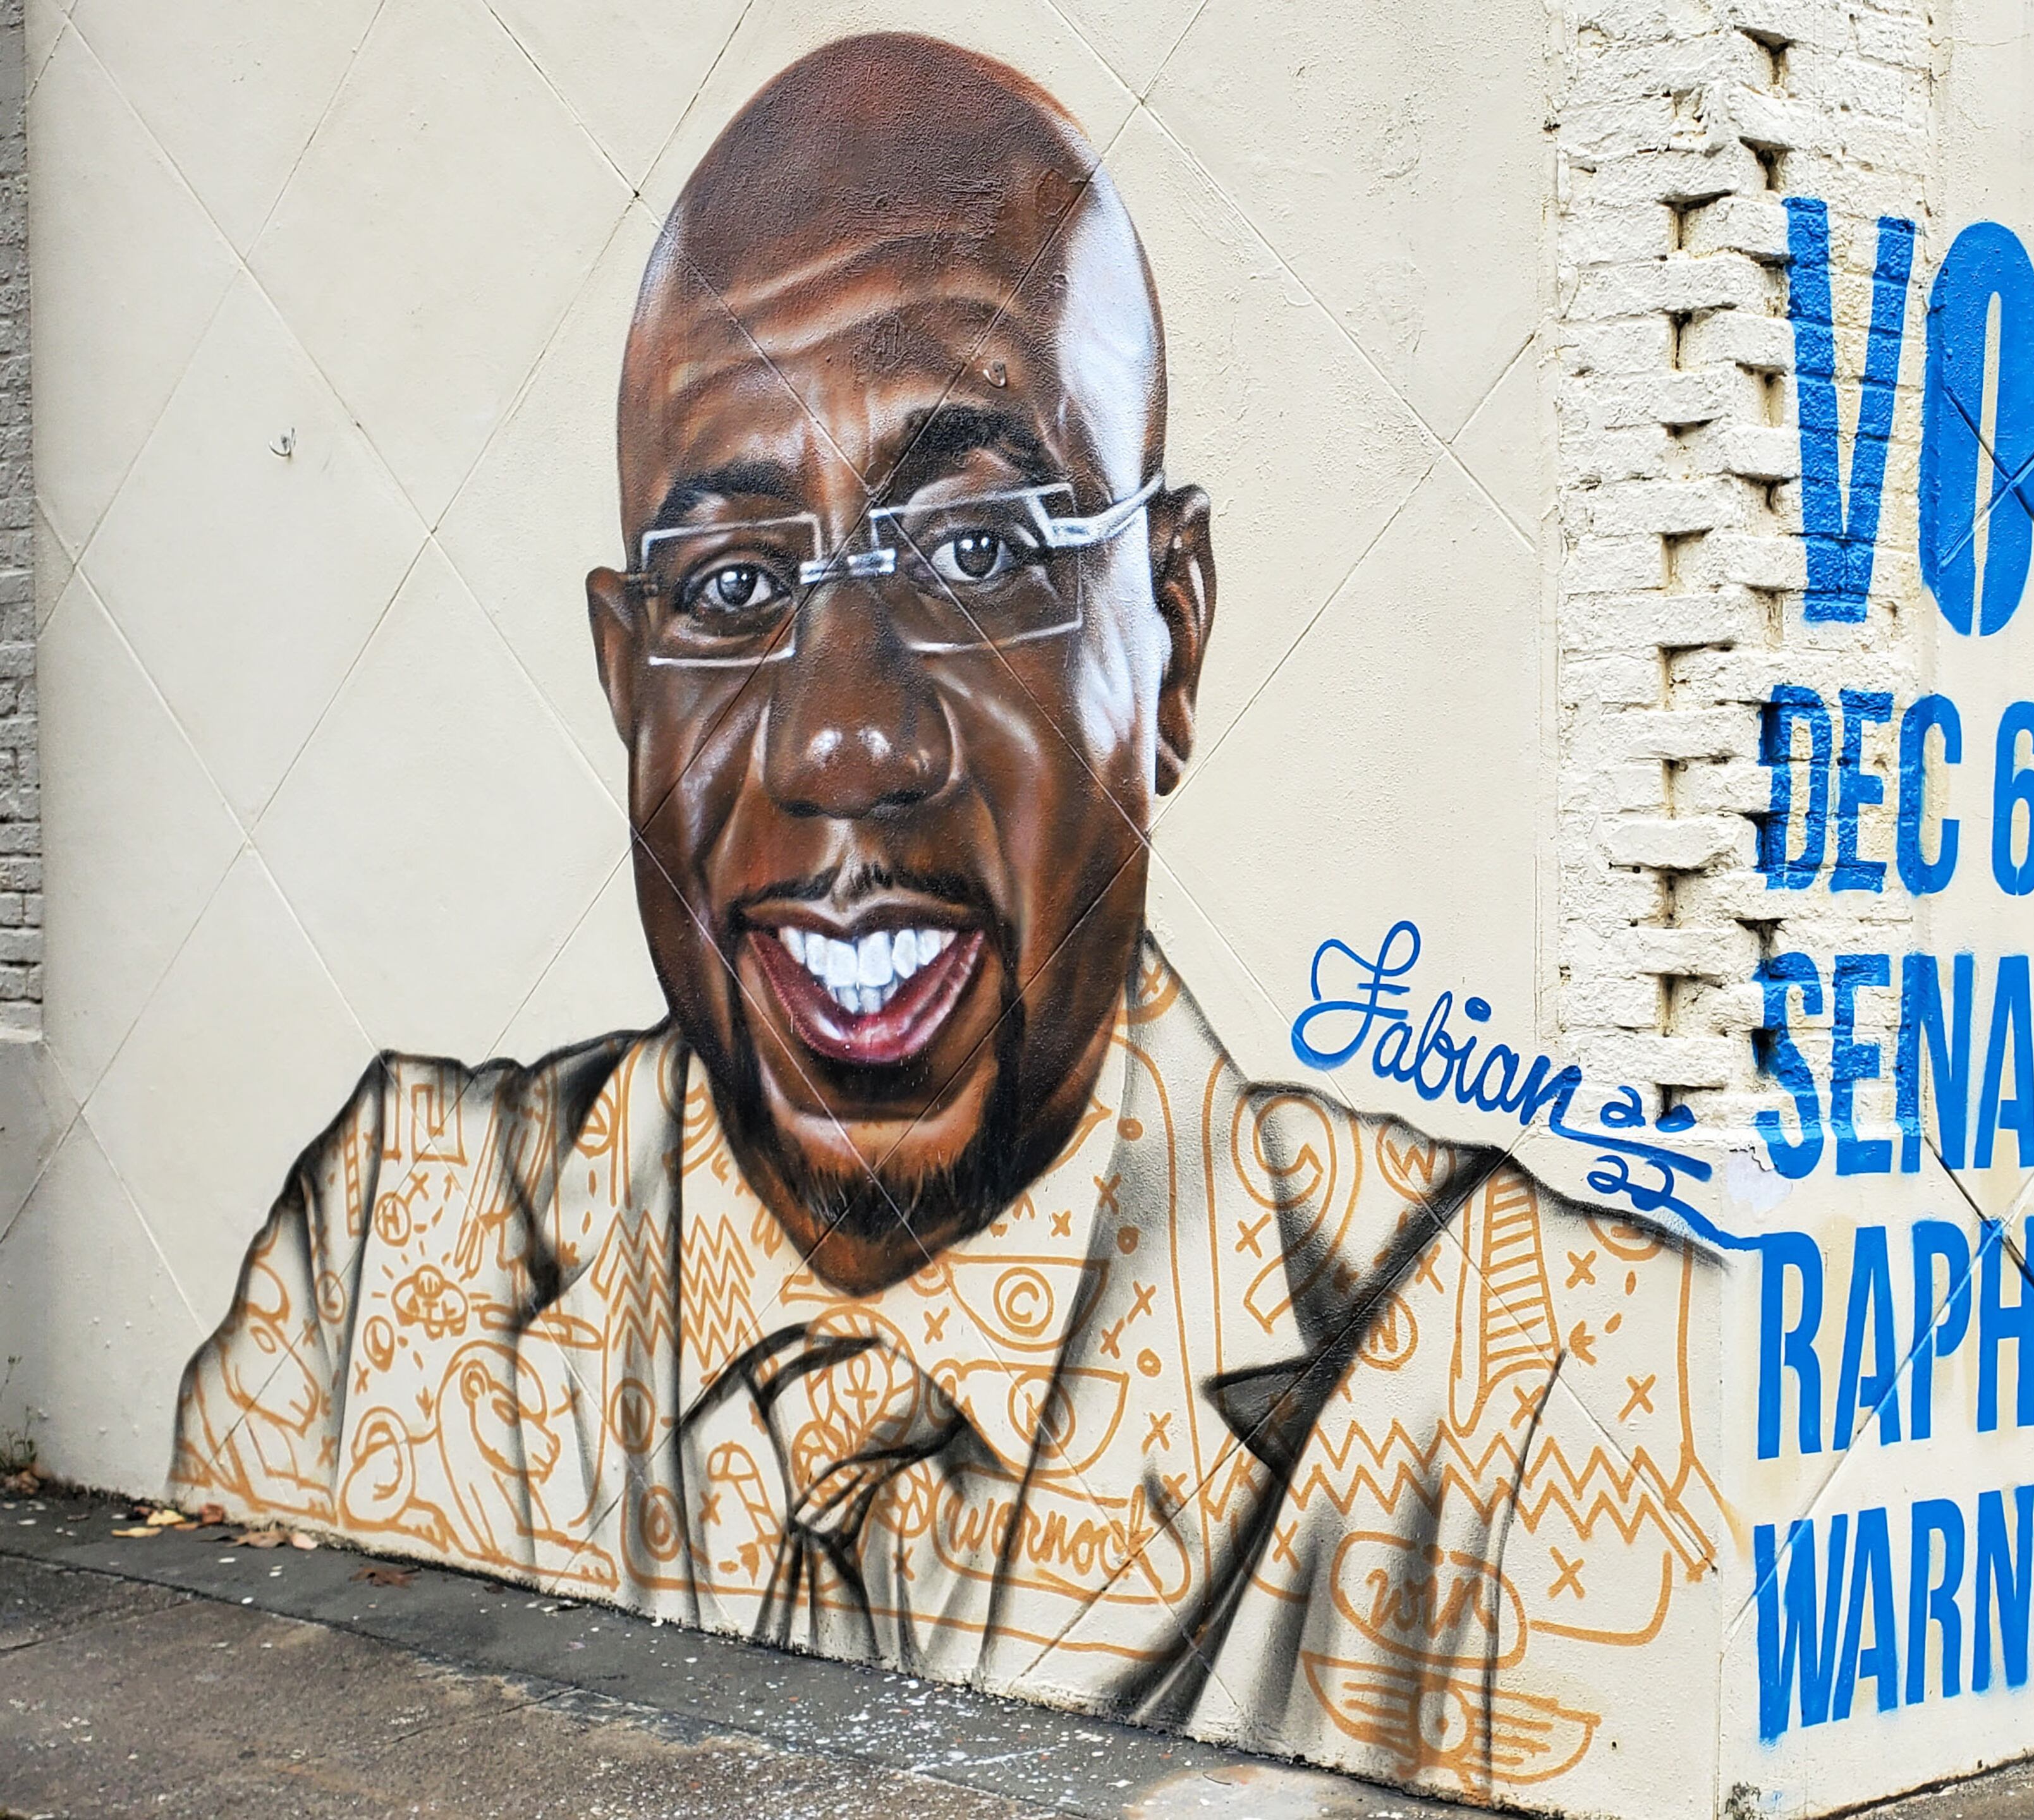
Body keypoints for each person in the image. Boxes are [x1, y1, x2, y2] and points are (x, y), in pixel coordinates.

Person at [171, 32, 1719, 1804]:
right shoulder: (398, 1265)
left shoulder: (1531, 1384)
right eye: (735, 586)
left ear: (1176, 635)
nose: (846, 735)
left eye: (983, 552)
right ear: (627, 684)